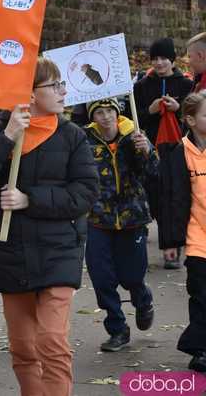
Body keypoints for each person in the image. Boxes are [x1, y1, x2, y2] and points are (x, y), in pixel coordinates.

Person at [0, 57, 99, 396]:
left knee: (51, 340)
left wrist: (29, 199)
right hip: (12, 254)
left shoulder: (72, 136)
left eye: (62, 84)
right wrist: (5, 137)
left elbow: (85, 193)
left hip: (58, 252)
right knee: (23, 348)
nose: (64, 91)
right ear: (30, 94)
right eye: (55, 85)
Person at [83, 98, 158, 352]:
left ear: (118, 113)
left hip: (131, 217)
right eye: (99, 112)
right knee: (102, 278)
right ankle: (117, 328)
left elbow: (153, 173)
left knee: (131, 275)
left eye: (109, 111)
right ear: (93, 116)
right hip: (97, 219)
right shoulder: (85, 140)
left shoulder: (134, 136)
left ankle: (143, 300)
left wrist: (146, 150)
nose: (105, 117)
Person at [134, 38, 193, 269]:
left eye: (163, 58)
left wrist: (178, 110)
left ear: (172, 60)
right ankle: (149, 235)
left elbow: (194, 116)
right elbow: (132, 117)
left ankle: (172, 249)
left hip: (177, 148)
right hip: (149, 147)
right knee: (153, 195)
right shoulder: (142, 86)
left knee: (173, 196)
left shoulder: (186, 85)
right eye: (155, 59)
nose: (159, 63)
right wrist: (149, 110)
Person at [158, 91, 206, 373]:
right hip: (198, 239)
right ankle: (200, 348)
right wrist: (170, 240)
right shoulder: (180, 153)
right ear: (190, 119)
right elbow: (172, 199)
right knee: (201, 295)